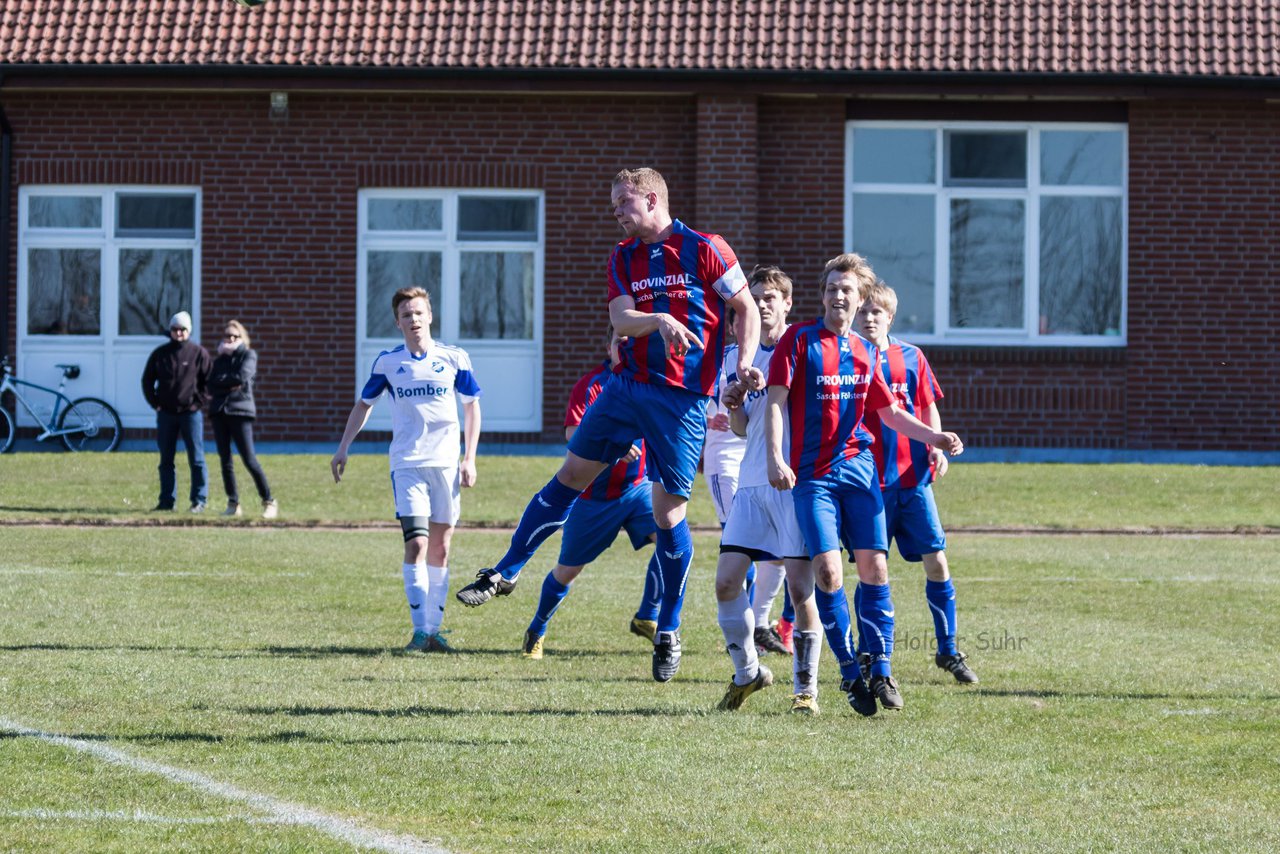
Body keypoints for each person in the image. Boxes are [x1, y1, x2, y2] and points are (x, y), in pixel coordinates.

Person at [456, 166, 765, 684]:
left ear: (651, 198)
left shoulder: (706, 246)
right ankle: (505, 572)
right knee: (570, 474)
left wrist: (742, 365)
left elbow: (745, 308)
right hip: (626, 387)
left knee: (668, 515)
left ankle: (667, 628)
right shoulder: (623, 256)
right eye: (614, 204)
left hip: (682, 401)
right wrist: (659, 321)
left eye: (623, 202)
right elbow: (622, 319)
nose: (616, 212)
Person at [765, 254, 964, 716]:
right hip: (812, 476)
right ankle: (850, 670)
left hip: (859, 472)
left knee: (876, 570)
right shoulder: (798, 340)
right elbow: (776, 403)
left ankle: (882, 668)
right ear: (823, 295)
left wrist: (934, 435)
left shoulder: (865, 350)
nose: (839, 295)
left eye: (847, 290)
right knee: (829, 574)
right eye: (832, 287)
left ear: (859, 300)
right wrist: (776, 456)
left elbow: (889, 412)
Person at [331, 287, 482, 654]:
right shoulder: (387, 363)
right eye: (406, 315)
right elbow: (364, 404)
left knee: (441, 549)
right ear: (397, 322)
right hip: (407, 464)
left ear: (429, 316)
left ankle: (435, 630)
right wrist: (343, 447)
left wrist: (469, 458)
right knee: (416, 543)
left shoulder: (454, 357)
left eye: (418, 313)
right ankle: (418, 632)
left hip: (446, 464)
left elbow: (472, 407)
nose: (413, 320)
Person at [713, 265, 823, 714]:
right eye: (753, 298)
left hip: (792, 484)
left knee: (801, 591)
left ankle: (806, 691)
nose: (761, 304)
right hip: (752, 483)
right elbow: (740, 429)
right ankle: (748, 673)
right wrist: (734, 400)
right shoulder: (736, 358)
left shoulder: (805, 347)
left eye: (770, 297)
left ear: (787, 303)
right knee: (725, 583)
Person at [855, 282, 978, 684]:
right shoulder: (847, 357)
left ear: (890, 316)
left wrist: (937, 447)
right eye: (864, 311)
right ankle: (870, 651)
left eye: (877, 312)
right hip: (868, 482)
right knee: (871, 569)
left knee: (937, 560)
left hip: (913, 478)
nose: (869, 318)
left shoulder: (911, 357)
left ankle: (948, 649)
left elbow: (926, 407)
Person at [520, 329, 662, 660]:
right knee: (568, 570)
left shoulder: (649, 383)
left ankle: (647, 616)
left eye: (633, 343)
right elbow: (573, 432)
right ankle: (537, 629)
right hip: (594, 498)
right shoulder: (592, 385)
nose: (625, 349)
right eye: (619, 342)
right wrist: (613, 444)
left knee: (671, 543)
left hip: (636, 489)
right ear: (608, 345)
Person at [141, 310, 212, 513]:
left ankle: (199, 500)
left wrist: (197, 404)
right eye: (175, 329)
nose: (179, 333)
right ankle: (166, 501)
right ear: (170, 331)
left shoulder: (199, 354)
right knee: (166, 459)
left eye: (182, 329)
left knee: (196, 458)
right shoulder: (160, 354)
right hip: (166, 414)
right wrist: (156, 403)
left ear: (188, 330)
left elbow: (209, 383)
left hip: (190, 414)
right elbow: (147, 380)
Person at [208, 319, 278, 519]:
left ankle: (269, 501)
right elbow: (211, 384)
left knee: (249, 459)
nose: (230, 339)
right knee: (225, 461)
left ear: (242, 337)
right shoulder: (219, 360)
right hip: (220, 412)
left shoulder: (248, 355)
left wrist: (226, 381)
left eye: (234, 336)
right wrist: (226, 383)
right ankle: (233, 502)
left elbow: (241, 377)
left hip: (240, 412)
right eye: (227, 335)